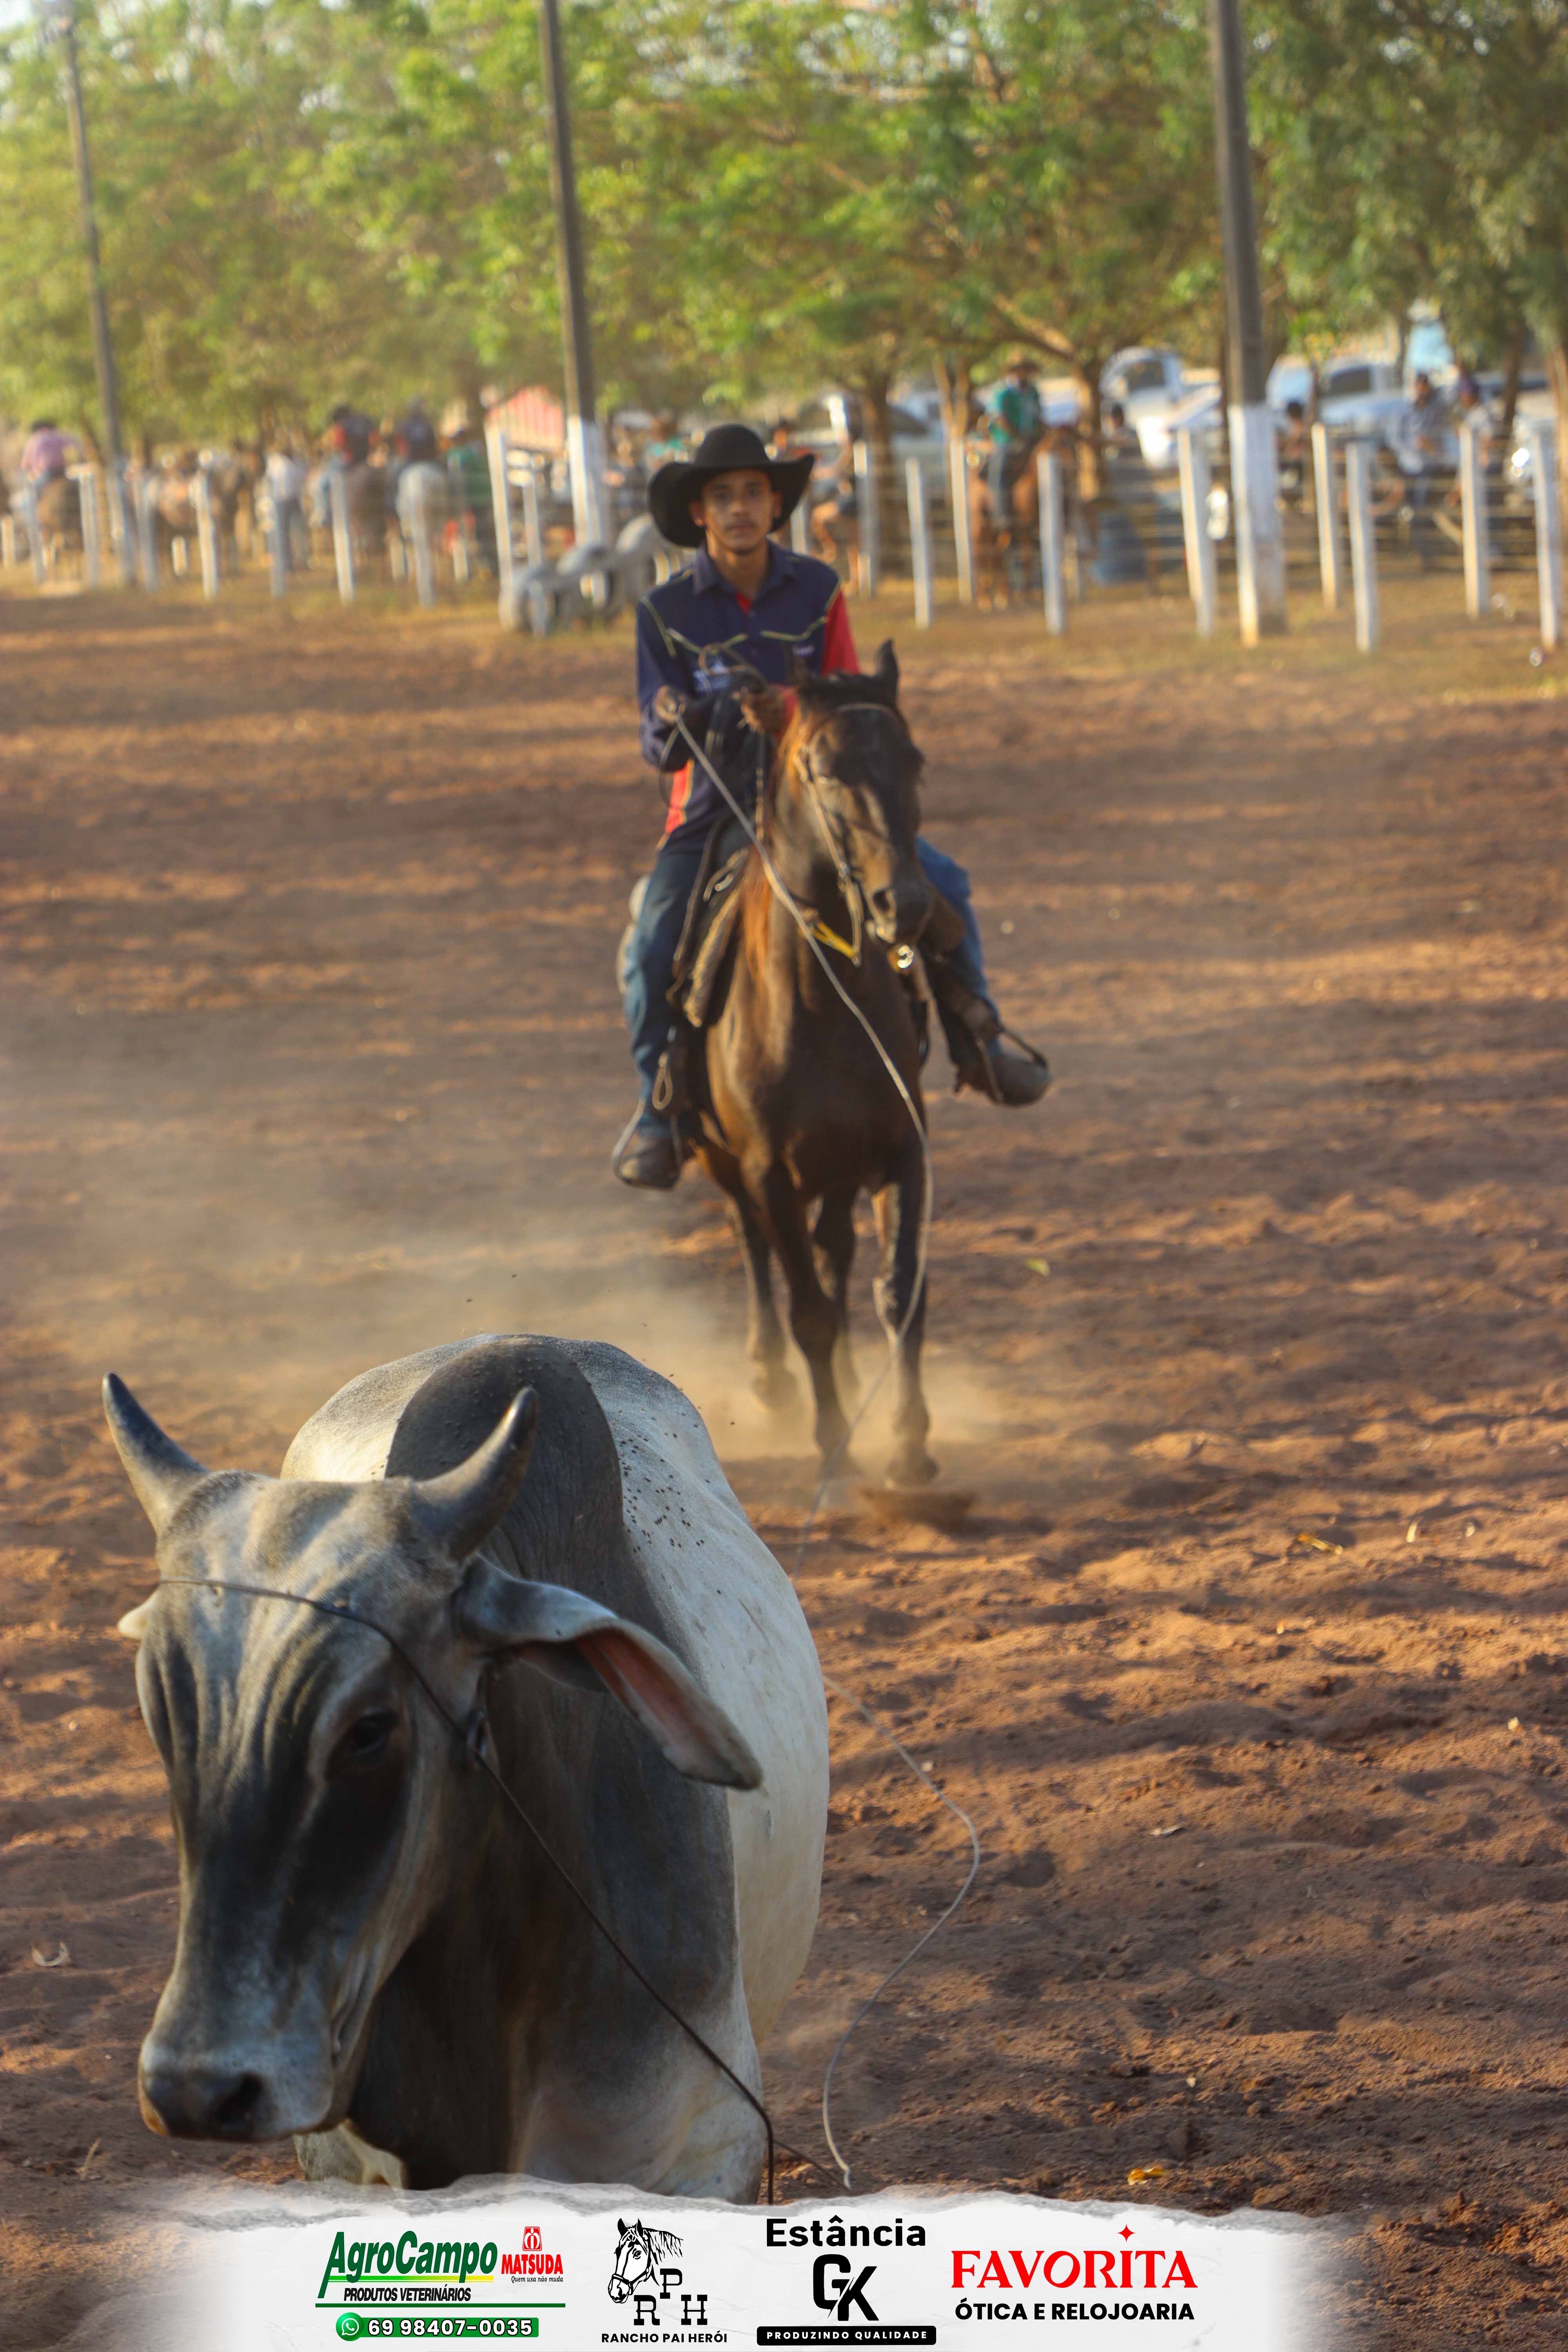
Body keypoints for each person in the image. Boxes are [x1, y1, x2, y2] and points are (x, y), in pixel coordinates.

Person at [613, 421, 1049, 1191]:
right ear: (701, 513)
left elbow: (844, 696)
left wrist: (784, 711)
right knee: (651, 945)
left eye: (753, 493)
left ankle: (976, 1034)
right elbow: (657, 737)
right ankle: (659, 1108)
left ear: (774, 506)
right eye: (724, 496)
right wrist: (688, 712)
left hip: (819, 806)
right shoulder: (664, 612)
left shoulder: (817, 591)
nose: (740, 508)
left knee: (944, 885)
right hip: (713, 814)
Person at [985, 356, 1043, 508]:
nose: (1023, 374)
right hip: (1007, 440)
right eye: (1019, 370)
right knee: (1001, 466)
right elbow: (999, 419)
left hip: (1032, 438)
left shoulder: (1033, 393)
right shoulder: (1003, 394)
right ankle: (1001, 510)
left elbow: (1038, 415)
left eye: (1026, 370)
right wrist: (1018, 436)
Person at [22, 420, 80, 485]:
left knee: (35, 486)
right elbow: (72, 445)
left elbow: (27, 462)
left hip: (46, 470)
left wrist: (32, 469)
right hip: (61, 468)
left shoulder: (35, 439)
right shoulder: (58, 436)